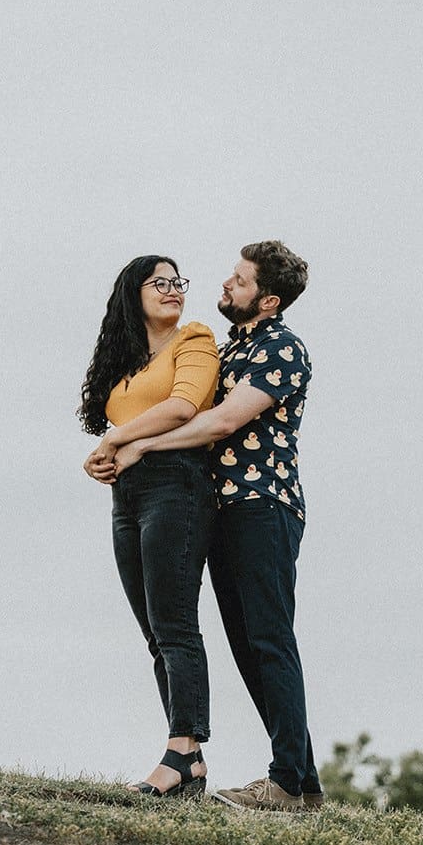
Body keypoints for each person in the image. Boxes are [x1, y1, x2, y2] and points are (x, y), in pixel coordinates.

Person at [91, 241, 321, 812]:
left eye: (239, 280)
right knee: (248, 646)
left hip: (263, 504)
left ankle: (286, 782)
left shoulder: (282, 348)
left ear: (267, 300)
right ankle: (305, 781)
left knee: (270, 640)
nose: (225, 284)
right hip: (224, 508)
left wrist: (138, 445)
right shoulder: (233, 346)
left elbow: (218, 422)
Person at [78, 255, 220, 798]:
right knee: (154, 633)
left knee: (175, 623)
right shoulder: (126, 362)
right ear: (132, 294)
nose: (172, 289)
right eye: (158, 283)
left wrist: (117, 441)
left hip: (177, 483)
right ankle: (191, 762)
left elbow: (183, 407)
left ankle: (181, 749)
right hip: (129, 495)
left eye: (177, 282)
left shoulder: (195, 339)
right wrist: (103, 459)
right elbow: (119, 425)